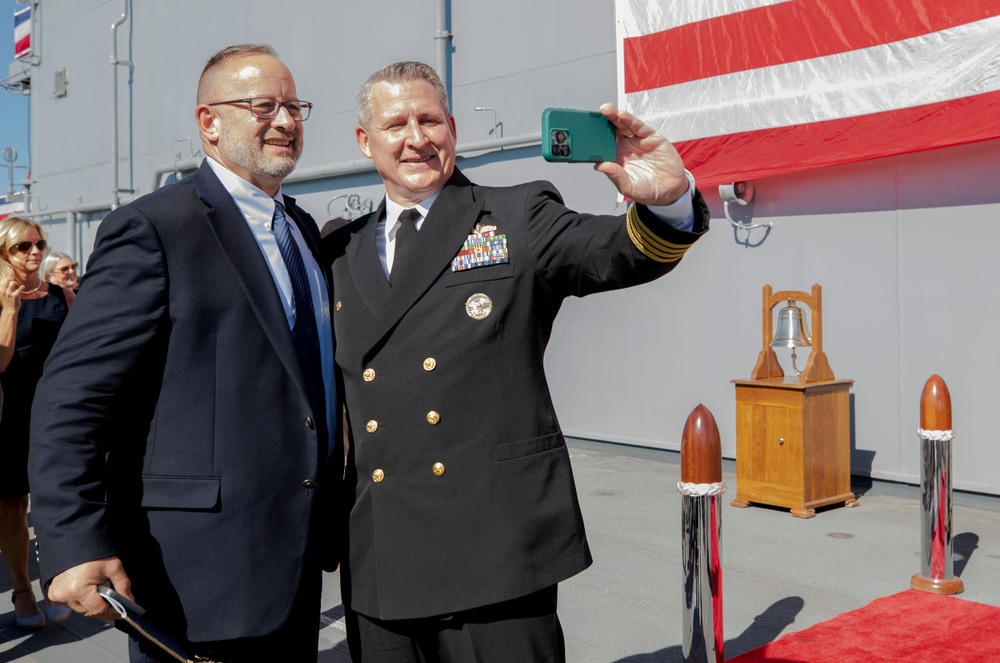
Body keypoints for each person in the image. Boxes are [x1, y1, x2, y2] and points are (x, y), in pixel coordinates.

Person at [324, 61, 710, 662]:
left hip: (495, 550)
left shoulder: (514, 217)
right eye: (396, 123)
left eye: (430, 120)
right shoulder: (337, 250)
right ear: (364, 141)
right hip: (381, 553)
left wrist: (668, 203)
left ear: (453, 127)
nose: (416, 138)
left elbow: (614, 253)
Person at [28, 44, 340, 662]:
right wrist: (72, 541)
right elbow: (71, 397)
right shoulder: (154, 229)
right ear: (209, 122)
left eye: (294, 106)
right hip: (199, 577)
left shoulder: (300, 230)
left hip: (296, 561)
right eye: (263, 105)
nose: (284, 120)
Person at [0, 218, 74, 630]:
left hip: (54, 411)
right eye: (22, 247)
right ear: (4, 253)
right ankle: (21, 588)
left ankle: (53, 583)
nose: (34, 252)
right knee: (13, 506)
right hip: (8, 412)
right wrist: (10, 308)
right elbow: (0, 362)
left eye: (39, 244)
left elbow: (84, 351)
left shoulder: (63, 296)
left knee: (55, 499)